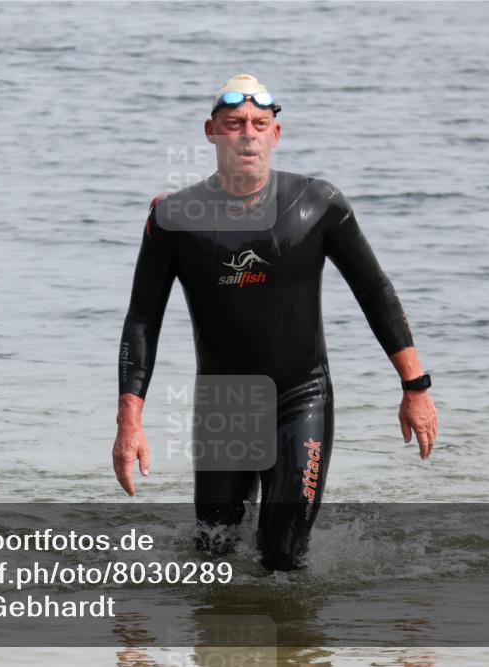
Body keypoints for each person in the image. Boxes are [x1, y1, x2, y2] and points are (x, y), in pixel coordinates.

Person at [113, 74, 439, 570]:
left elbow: (376, 292)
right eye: (235, 123)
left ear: (275, 134)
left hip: (301, 394)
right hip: (226, 403)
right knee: (215, 556)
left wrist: (415, 386)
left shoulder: (318, 204)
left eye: (259, 124)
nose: (248, 133)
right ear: (211, 131)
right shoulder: (173, 218)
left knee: (282, 555)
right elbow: (142, 320)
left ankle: (293, 643)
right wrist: (129, 423)